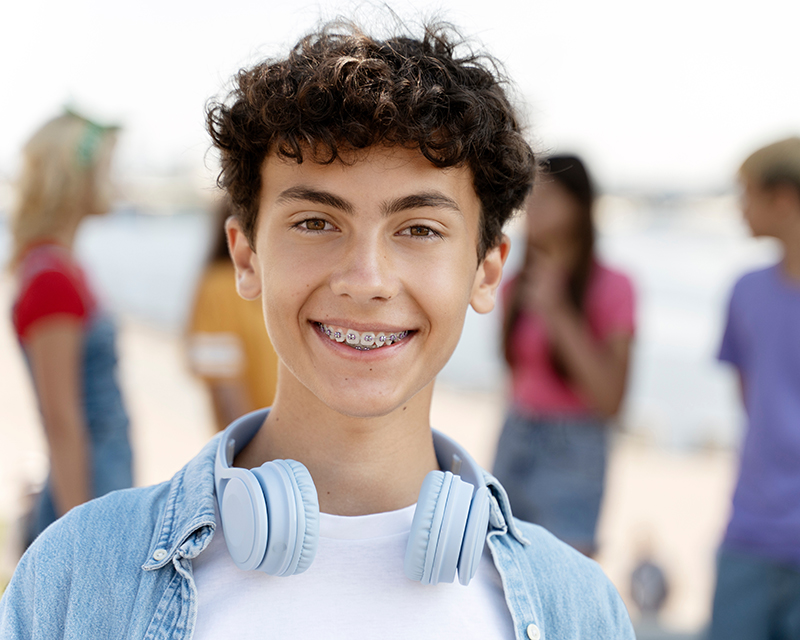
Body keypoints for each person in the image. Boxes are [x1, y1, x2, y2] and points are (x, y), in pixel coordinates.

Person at [0, 22, 634, 638]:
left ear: (488, 271)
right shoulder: (75, 575)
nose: (366, 279)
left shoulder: (578, 609)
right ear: (246, 256)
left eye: (419, 229)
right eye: (315, 222)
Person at [492, 155, 635, 557]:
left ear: (579, 206)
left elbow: (610, 401)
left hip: (575, 447)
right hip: (516, 432)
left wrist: (557, 312)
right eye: (529, 195)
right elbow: (515, 373)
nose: (532, 207)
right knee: (499, 567)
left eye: (547, 197)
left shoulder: (615, 286)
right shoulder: (515, 284)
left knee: (566, 572)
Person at [7, 110, 133, 549]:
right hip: (90, 488)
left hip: (99, 478)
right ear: (75, 178)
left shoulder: (58, 267)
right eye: (106, 168)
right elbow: (62, 419)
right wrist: (81, 541)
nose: (116, 179)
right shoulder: (52, 277)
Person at [708, 137, 800, 640]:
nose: (740, 207)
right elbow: (751, 401)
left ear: (783, 199)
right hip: (750, 531)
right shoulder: (745, 291)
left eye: (747, 193)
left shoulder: (745, 292)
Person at [187, 198, 279, 431]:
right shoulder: (218, 288)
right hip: (261, 453)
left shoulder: (282, 284)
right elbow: (225, 393)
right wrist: (258, 459)